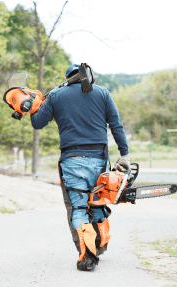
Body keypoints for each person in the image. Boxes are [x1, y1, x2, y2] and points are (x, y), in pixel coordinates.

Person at [30, 64, 130, 271]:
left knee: (78, 208)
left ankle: (87, 257)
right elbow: (116, 124)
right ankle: (100, 245)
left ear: (67, 78)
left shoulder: (56, 95)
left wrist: (32, 106)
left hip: (71, 160)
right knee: (97, 203)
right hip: (99, 159)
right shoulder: (102, 93)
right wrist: (124, 155)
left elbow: (38, 123)